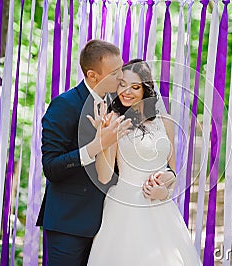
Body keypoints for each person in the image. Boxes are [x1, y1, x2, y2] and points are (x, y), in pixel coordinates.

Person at [87, 59, 202, 265]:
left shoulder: (165, 122)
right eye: (122, 84)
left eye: (135, 86)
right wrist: (104, 137)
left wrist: (165, 189)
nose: (127, 92)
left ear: (146, 89)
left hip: (160, 206)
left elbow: (173, 172)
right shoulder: (113, 120)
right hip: (125, 208)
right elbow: (104, 176)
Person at [36, 39, 132, 265]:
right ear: (92, 75)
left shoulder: (120, 105)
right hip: (69, 224)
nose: (122, 77)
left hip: (111, 223)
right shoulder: (64, 105)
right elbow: (51, 167)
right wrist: (95, 146)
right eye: (115, 72)